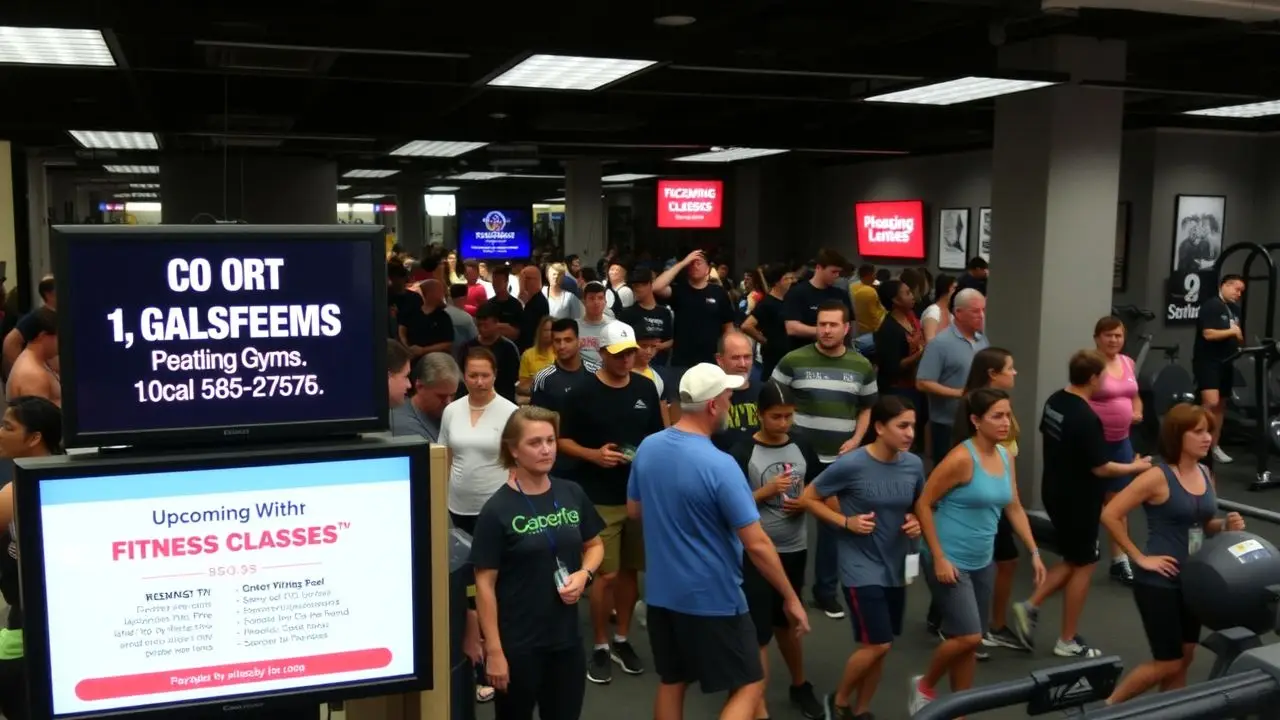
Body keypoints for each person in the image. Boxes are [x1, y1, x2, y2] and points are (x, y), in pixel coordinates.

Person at [627, 363, 811, 720]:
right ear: (713, 405)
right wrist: (790, 598)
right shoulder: (720, 465)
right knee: (751, 683)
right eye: (728, 396)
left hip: (663, 593)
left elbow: (635, 511)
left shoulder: (649, 447)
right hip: (714, 596)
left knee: (672, 681)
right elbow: (756, 543)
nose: (731, 402)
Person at [910, 388, 1046, 714]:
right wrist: (939, 557)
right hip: (948, 558)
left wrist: (1034, 550)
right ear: (975, 420)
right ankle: (924, 687)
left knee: (970, 641)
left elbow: (1013, 504)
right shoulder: (960, 458)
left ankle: (959, 709)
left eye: (1007, 414)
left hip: (982, 559)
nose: (1005, 422)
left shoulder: (1004, 455)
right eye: (997, 416)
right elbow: (924, 504)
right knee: (969, 636)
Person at [1010, 350, 1153, 659]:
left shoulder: (1055, 401)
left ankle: (1031, 606)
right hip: (1077, 498)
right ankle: (1067, 638)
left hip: (1056, 491)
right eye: (1102, 376)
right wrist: (1135, 467)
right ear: (1092, 379)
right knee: (1084, 562)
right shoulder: (1086, 417)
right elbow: (1101, 468)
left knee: (1076, 558)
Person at [1101, 404, 1246, 706]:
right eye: (1198, 432)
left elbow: (1205, 525)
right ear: (1178, 436)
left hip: (1192, 580)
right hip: (1159, 581)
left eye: (1209, 430)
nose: (1207, 438)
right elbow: (1111, 514)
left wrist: (1225, 526)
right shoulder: (1157, 476)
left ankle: (1167, 713)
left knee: (1185, 658)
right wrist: (1139, 557)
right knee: (1168, 661)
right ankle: (1106, 709)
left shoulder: (1206, 473)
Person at [472, 407, 606, 720]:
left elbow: (595, 545)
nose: (546, 449)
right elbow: (484, 584)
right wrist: (494, 652)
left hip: (566, 641)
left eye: (550, 440)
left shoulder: (571, 492)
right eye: (535, 443)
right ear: (513, 449)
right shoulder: (497, 510)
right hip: (518, 646)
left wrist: (584, 574)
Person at [800, 395, 924, 720]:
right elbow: (809, 497)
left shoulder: (913, 464)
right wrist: (845, 522)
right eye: (903, 426)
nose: (910, 433)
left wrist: (916, 521)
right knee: (879, 644)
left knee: (878, 647)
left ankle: (862, 709)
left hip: (896, 565)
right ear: (880, 428)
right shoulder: (852, 463)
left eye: (913, 425)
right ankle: (838, 702)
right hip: (860, 565)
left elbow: (918, 506)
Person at [558, 321, 663, 684]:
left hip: (637, 495)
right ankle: (600, 644)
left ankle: (621, 639)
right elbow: (562, 441)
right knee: (606, 574)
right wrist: (593, 455)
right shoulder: (581, 392)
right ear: (601, 353)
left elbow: (656, 438)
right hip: (598, 498)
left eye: (631, 352)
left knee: (631, 572)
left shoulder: (646, 388)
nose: (626, 360)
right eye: (618, 354)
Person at [771, 299, 877, 620]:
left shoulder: (861, 366)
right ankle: (786, 592)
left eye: (833, 325)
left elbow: (867, 407)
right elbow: (773, 402)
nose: (826, 330)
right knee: (788, 521)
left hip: (838, 460)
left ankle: (825, 592)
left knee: (832, 526)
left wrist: (857, 440)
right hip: (797, 458)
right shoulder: (793, 360)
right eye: (822, 324)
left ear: (846, 329)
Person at [728, 381, 824, 720]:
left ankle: (800, 685)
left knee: (789, 622)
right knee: (758, 630)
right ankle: (757, 702)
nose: (783, 423)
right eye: (776, 417)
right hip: (755, 552)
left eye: (788, 417)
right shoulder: (742, 451)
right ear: (759, 415)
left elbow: (816, 484)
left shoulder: (801, 444)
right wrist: (766, 491)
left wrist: (806, 502)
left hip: (794, 547)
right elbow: (730, 505)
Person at [949, 348, 1021, 654]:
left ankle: (986, 624)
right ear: (992, 373)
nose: (1015, 372)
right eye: (1010, 367)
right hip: (982, 497)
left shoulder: (999, 404)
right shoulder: (975, 407)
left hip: (998, 492)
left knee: (1002, 561)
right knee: (993, 562)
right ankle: (975, 626)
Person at [438, 347, 520, 535]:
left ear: (495, 375)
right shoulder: (451, 410)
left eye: (485, 375)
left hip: (498, 505)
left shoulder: (512, 412)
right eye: (473, 376)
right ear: (464, 376)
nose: (480, 382)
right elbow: (445, 456)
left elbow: (519, 462)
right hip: (457, 505)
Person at [1091, 316, 1145, 585]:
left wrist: (1137, 411)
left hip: (1122, 441)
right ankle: (1088, 548)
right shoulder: (1089, 365)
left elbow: (1134, 394)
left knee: (1118, 505)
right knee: (1091, 500)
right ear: (1097, 337)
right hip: (1094, 442)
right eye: (1108, 335)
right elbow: (1078, 397)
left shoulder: (1127, 362)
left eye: (1118, 336)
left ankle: (1119, 561)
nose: (1113, 340)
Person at [916, 289, 988, 467]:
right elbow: (922, 382)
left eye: (983, 310)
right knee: (948, 473)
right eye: (975, 311)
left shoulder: (983, 341)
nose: (981, 315)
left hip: (977, 421)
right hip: (948, 424)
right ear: (958, 313)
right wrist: (959, 393)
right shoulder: (940, 344)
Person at [650, 249, 735, 371]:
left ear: (708, 269)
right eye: (692, 263)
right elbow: (656, 287)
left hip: (710, 361)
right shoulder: (679, 290)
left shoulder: (719, 292)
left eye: (699, 263)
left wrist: (729, 353)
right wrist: (683, 262)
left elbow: (729, 327)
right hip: (682, 361)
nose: (695, 266)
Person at [1192, 273, 1244, 464]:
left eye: (1241, 291)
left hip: (1227, 361)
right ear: (1225, 286)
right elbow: (1208, 333)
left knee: (1221, 405)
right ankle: (1197, 444)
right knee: (1210, 403)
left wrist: (1237, 337)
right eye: (1236, 289)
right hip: (1208, 362)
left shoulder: (1234, 309)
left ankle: (1214, 445)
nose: (1238, 294)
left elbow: (1237, 334)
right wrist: (1232, 331)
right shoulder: (1211, 306)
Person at [785, 249, 852, 353]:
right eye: (833, 271)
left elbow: (848, 326)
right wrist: (826, 332)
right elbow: (792, 328)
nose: (837, 275)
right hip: (805, 354)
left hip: (835, 355)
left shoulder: (841, 295)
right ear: (819, 268)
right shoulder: (797, 293)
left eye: (839, 272)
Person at [742, 264, 795, 381]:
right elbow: (746, 325)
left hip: (787, 354)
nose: (791, 282)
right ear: (777, 282)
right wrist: (765, 341)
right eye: (787, 279)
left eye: (791, 278)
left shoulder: (788, 300)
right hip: (773, 357)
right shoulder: (767, 303)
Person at [391, 352, 460, 442]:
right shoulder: (403, 424)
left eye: (452, 395)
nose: (448, 402)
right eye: (441, 396)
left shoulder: (451, 416)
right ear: (420, 387)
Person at [461, 304, 522, 403]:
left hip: (503, 399)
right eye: (479, 325)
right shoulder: (468, 347)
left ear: (496, 323)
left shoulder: (509, 348)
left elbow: (513, 378)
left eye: (485, 325)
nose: (481, 329)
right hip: (473, 398)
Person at [712, 331, 762, 451]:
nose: (743, 364)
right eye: (735, 358)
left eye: (747, 357)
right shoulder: (708, 396)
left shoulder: (765, 392)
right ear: (720, 360)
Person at [619, 268, 675, 368]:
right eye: (634, 286)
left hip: (660, 366)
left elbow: (670, 340)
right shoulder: (627, 313)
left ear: (650, 285)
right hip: (635, 366)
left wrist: (658, 347)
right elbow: (622, 341)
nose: (636, 289)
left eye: (640, 285)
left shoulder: (664, 312)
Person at [6, 307, 59, 406]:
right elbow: (40, 419)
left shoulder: (37, 361)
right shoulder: (33, 375)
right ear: (42, 335)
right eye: (58, 337)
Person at [518, 316, 556, 402]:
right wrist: (538, 377)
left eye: (551, 330)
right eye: (546, 330)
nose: (549, 333)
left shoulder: (561, 353)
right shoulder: (528, 355)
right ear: (540, 332)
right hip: (534, 398)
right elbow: (522, 386)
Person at [920, 275, 955, 343]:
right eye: (954, 288)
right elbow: (930, 344)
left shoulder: (951, 315)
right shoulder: (933, 312)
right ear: (947, 289)